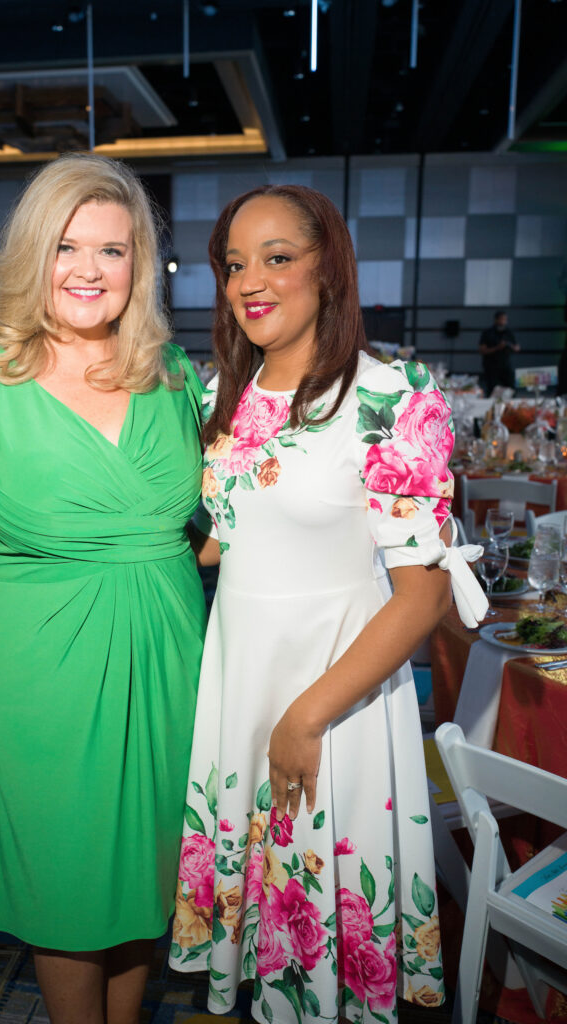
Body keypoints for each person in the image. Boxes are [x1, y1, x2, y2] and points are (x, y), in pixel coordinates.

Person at [168, 185, 487, 1022]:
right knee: (262, 927)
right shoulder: (220, 399)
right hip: (240, 681)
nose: (250, 282)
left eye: (277, 258)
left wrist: (306, 717)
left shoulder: (391, 397)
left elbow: (422, 596)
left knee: (322, 906)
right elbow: (227, 537)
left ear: (328, 269)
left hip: (335, 692)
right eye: (235, 264)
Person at [0, 154, 206, 1024]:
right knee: (66, 896)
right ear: (31, 257)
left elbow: (215, 527)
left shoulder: (174, 376)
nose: (87, 270)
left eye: (112, 251)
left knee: (140, 887)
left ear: (138, 267)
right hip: (41, 678)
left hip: (168, 665)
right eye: (66, 248)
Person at [479, 310, 520, 395]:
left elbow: (517, 347)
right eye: (502, 319)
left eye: (505, 319)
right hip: (491, 366)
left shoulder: (508, 332)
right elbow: (482, 350)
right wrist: (497, 347)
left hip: (506, 365)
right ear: (496, 320)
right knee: (492, 390)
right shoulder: (488, 333)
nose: (504, 322)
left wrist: (510, 346)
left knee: (511, 389)